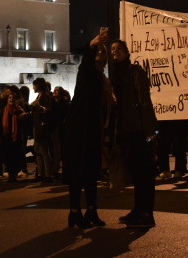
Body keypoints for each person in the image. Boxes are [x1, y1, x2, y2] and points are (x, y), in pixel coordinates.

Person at [64, 29, 113, 228]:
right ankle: (74, 212)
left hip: (93, 127)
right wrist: (93, 42)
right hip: (79, 127)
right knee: (77, 171)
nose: (100, 53)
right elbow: (86, 59)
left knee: (92, 172)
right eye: (98, 51)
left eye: (103, 51)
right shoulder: (87, 70)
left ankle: (91, 210)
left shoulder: (103, 77)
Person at [110, 36, 158, 228]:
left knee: (144, 173)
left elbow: (144, 101)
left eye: (118, 48)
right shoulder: (116, 74)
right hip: (125, 130)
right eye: (112, 49)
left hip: (138, 129)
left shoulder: (135, 71)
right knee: (135, 174)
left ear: (127, 52)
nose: (114, 51)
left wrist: (150, 130)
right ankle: (138, 210)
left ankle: (147, 213)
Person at [0, 86, 27, 182]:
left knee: (15, 156)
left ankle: (14, 174)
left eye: (13, 98)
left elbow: (24, 122)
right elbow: (0, 124)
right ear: (7, 100)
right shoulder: (3, 110)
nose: (11, 99)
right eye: (9, 98)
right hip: (7, 137)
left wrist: (23, 118)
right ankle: (11, 174)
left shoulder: (19, 110)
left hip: (16, 137)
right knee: (8, 156)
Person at [31, 77, 54, 182]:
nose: (33, 87)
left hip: (42, 126)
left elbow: (49, 109)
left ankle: (48, 174)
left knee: (44, 151)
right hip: (37, 126)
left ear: (38, 86)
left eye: (34, 85)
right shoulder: (39, 96)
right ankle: (40, 173)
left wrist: (41, 108)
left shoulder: (45, 96)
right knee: (38, 151)